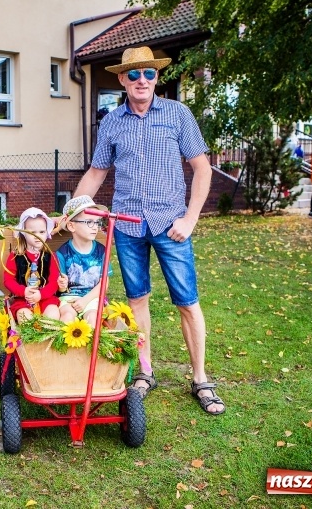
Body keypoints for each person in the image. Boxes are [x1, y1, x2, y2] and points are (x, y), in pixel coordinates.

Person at [71, 46, 225, 415]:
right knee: (137, 300)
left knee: (187, 302)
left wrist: (189, 219)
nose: (142, 80)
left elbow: (202, 168)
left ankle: (201, 378)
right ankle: (145, 372)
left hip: (171, 225)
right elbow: (97, 173)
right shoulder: (111, 122)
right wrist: (72, 211)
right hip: (126, 226)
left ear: (157, 78)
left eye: (149, 74)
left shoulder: (177, 115)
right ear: (122, 79)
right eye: (134, 74)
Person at [56, 196, 111, 329]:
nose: (95, 227)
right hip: (69, 297)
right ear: (71, 225)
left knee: (93, 319)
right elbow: (60, 288)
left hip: (92, 297)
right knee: (67, 318)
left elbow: (105, 281)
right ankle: (66, 349)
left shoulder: (102, 251)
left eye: (97, 222)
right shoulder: (62, 253)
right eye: (89, 222)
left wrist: (86, 300)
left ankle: (90, 349)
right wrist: (61, 285)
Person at [4, 208, 61, 322]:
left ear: (47, 232)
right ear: (23, 233)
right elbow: (8, 280)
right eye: (32, 232)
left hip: (46, 298)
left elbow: (54, 281)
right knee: (25, 318)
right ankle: (31, 339)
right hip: (23, 299)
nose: (37, 236)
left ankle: (47, 336)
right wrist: (24, 291)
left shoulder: (51, 256)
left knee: (53, 315)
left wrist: (41, 294)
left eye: (42, 232)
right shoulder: (15, 257)